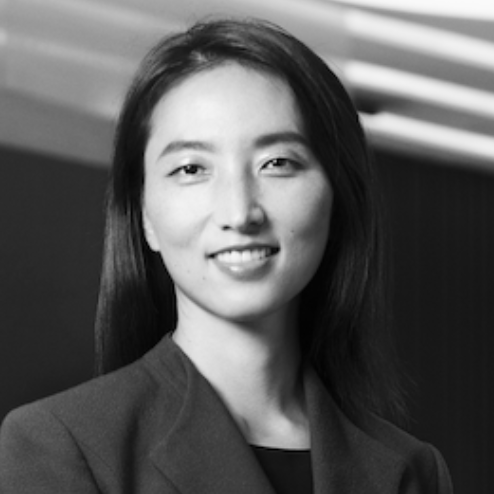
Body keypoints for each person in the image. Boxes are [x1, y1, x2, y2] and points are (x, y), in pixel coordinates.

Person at [0, 18, 453, 493]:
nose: (239, 213)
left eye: (277, 163)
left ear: (337, 197)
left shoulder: (412, 469)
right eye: (191, 168)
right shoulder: (61, 445)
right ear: (145, 216)